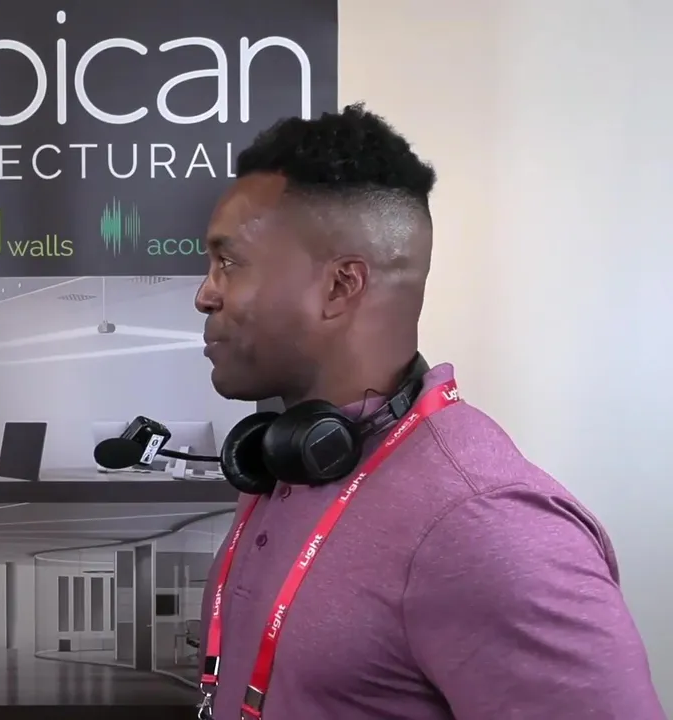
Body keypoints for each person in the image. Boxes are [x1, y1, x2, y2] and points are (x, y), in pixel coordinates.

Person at [192, 104, 665, 719]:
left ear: (340, 286)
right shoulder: (288, 464)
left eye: (228, 263)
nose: (205, 294)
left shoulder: (487, 527)